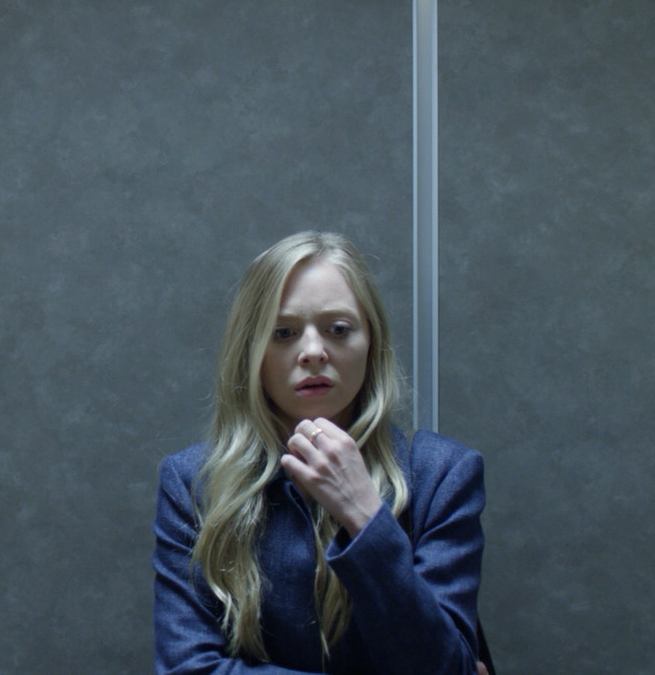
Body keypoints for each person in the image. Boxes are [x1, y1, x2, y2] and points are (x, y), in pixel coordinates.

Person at [153, 231, 490, 675]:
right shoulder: (193, 482)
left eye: (338, 329)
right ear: (252, 349)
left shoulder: (441, 475)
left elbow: (444, 667)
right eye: (285, 332)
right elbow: (187, 670)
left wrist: (366, 517)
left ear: (371, 342)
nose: (312, 352)